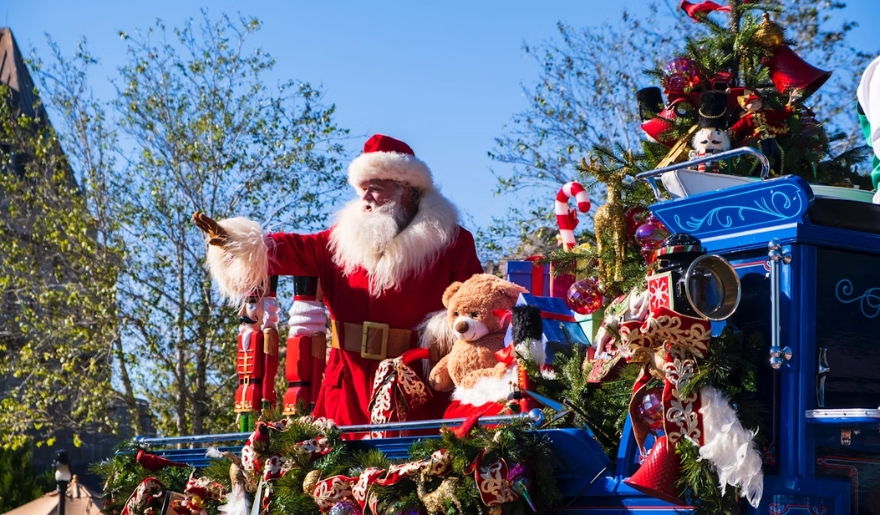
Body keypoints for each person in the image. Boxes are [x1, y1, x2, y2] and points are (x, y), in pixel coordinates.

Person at [193, 134, 483, 427]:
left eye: (376, 189)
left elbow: (476, 307)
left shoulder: (452, 242)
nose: (366, 197)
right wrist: (236, 241)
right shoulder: (338, 240)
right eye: (363, 189)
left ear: (405, 188)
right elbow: (288, 249)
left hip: (417, 388)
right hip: (346, 389)